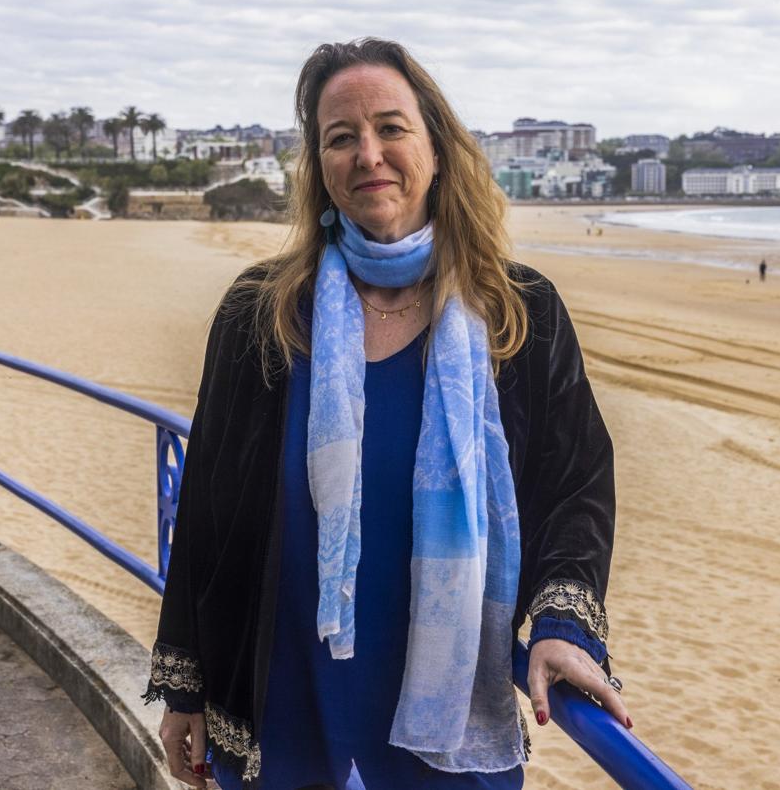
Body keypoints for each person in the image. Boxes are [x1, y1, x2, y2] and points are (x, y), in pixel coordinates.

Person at [146, 38, 625, 789]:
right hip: (282, 698)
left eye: (390, 128)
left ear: (436, 147)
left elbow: (575, 485)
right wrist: (185, 688)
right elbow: (206, 506)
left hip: (445, 715)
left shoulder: (516, 310)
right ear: (320, 167)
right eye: (341, 138)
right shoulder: (260, 313)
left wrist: (562, 627)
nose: (368, 154)